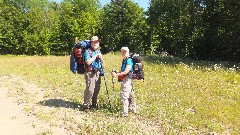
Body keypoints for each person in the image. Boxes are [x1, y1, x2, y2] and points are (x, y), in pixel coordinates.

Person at [111, 47, 136, 117]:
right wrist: (117, 72)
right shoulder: (125, 60)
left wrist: (116, 74)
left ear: (128, 52)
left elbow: (126, 71)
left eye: (125, 52)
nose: (123, 53)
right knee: (131, 94)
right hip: (127, 79)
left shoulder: (129, 60)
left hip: (127, 79)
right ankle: (132, 109)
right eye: (122, 52)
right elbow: (123, 71)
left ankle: (124, 113)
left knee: (124, 95)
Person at [82, 36, 104, 112]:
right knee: (90, 89)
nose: (95, 43)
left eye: (97, 42)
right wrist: (95, 56)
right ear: (91, 43)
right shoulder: (88, 51)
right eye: (94, 42)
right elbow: (88, 62)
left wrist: (101, 58)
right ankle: (86, 106)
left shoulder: (98, 51)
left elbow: (103, 62)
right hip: (90, 72)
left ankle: (94, 104)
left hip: (98, 72)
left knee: (97, 89)